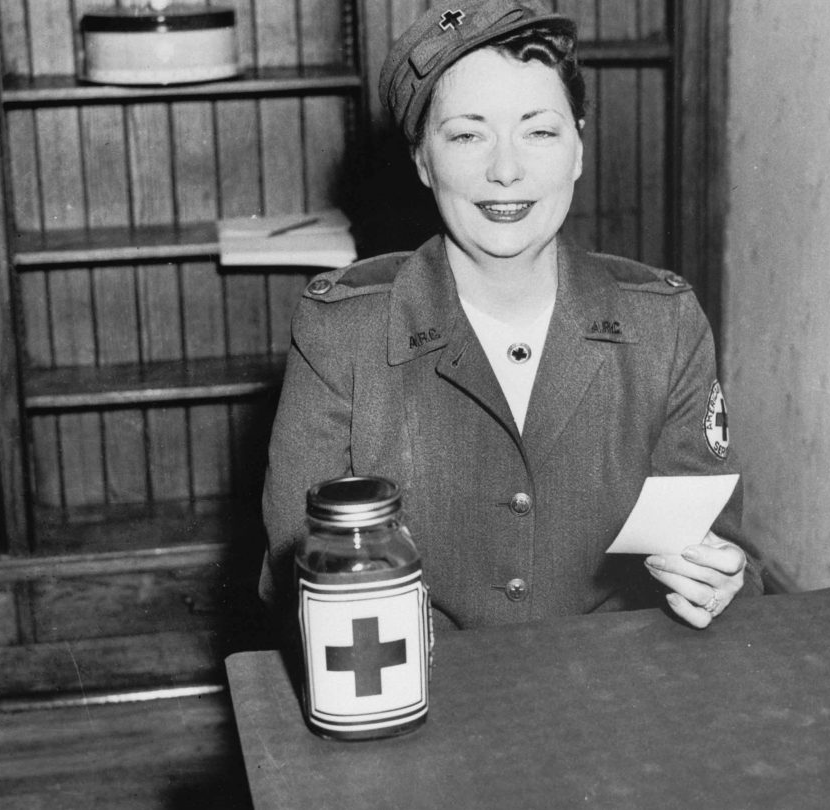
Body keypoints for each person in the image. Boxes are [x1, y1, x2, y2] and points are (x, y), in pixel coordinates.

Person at [259, 0, 759, 632]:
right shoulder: (342, 331)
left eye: (540, 131)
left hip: (622, 687)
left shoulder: (666, 325)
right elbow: (298, 573)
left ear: (578, 148)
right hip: (421, 688)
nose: (505, 170)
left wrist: (718, 579)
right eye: (468, 134)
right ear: (422, 161)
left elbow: (719, 546)